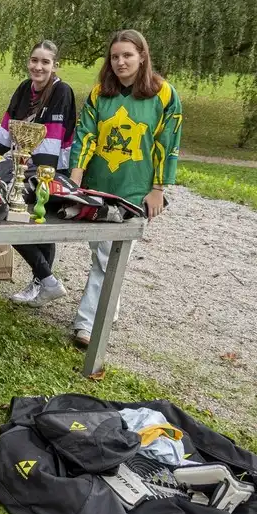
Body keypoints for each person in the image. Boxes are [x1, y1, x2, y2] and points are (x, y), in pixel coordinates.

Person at [68, 29, 182, 347]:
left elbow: (167, 144)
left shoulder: (164, 95)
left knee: (109, 256)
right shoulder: (98, 94)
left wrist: (158, 189)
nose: (120, 62)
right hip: (98, 186)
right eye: (115, 56)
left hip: (134, 190)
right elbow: (85, 137)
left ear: (142, 56)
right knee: (102, 254)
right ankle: (109, 309)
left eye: (127, 55)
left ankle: (88, 325)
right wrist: (75, 180)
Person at [0, 40, 77, 307]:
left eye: (45, 62)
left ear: (55, 65)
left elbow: (51, 149)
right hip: (25, 166)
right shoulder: (24, 88)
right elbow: (5, 132)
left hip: (51, 171)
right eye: (34, 60)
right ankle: (44, 282)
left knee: (9, 214)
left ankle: (44, 280)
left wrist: (15, 171)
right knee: (2, 197)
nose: (38, 66)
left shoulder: (62, 92)